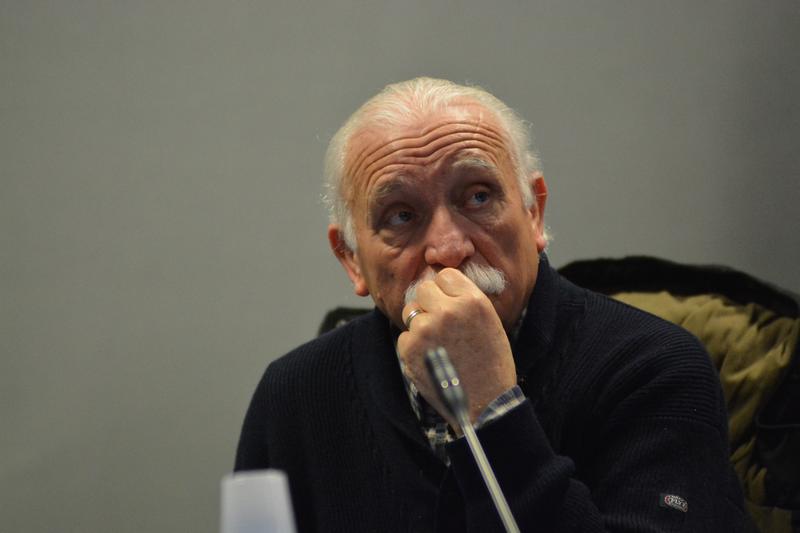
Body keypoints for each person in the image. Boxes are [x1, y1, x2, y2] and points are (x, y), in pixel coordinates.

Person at [235, 77, 747, 532]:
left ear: (534, 212)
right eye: (401, 215)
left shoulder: (657, 370)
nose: (448, 247)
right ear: (352, 260)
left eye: (478, 197)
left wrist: (490, 408)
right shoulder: (295, 394)